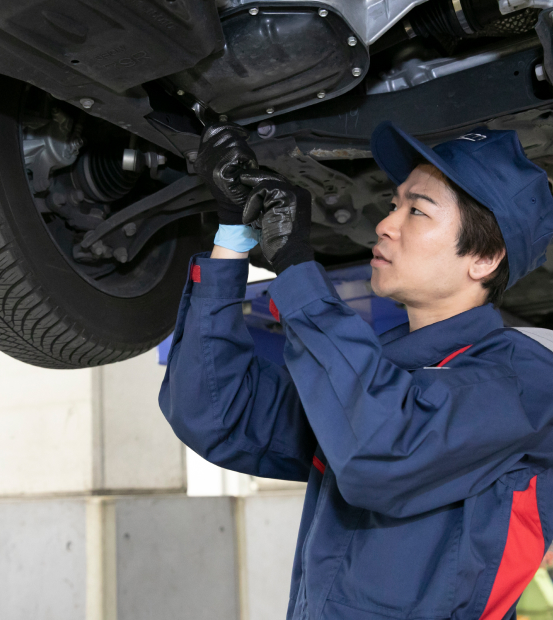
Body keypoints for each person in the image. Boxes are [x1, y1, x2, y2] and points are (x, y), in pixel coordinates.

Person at [158, 120, 553, 620]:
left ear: (484, 258)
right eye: (394, 205)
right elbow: (215, 412)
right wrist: (235, 231)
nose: (386, 224)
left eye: (417, 210)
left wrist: (298, 268)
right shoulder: (373, 372)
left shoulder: (526, 383)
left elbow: (383, 453)